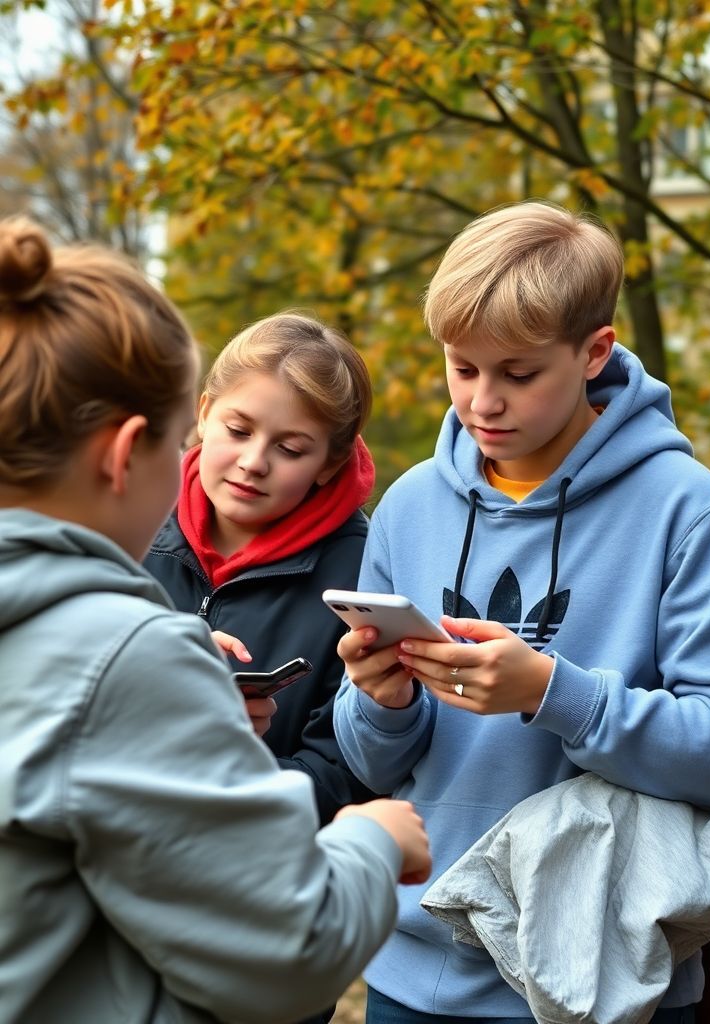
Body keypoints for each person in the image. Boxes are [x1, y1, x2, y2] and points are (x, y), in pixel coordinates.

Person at [334, 200, 710, 1023]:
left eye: (517, 373)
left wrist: (553, 693)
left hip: (607, 972)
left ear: (594, 354)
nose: (482, 402)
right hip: (410, 969)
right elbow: (373, 766)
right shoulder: (408, 508)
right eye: (462, 367)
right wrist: (381, 699)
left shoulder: (688, 512)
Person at [0, 215, 431, 1024]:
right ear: (129, 454)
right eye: (198, 442)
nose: (243, 463)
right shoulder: (132, 652)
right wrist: (372, 840)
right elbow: (290, 948)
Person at [145, 312, 377, 825]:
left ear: (330, 465)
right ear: (204, 413)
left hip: (254, 870)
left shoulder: (365, 571)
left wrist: (224, 768)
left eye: (290, 449)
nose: (254, 461)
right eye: (238, 429)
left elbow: (347, 775)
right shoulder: (128, 517)